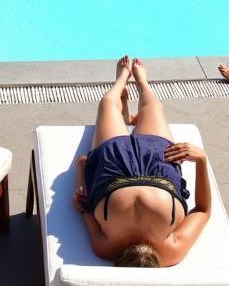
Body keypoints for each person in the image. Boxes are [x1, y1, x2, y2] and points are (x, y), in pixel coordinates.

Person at [73, 56, 210, 268]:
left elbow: (83, 207)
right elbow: (202, 210)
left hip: (113, 166)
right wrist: (201, 159)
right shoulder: (172, 251)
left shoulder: (104, 248)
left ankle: (121, 79)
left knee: (108, 103)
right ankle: (142, 82)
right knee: (153, 107)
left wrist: (83, 171)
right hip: (160, 167)